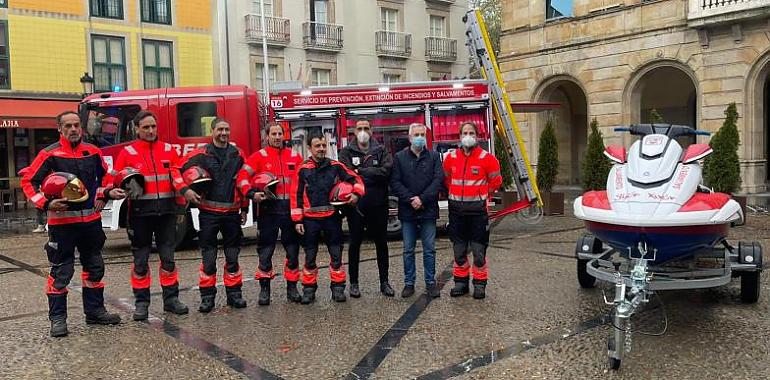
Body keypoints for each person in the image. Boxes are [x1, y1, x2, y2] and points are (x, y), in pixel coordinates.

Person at [21, 110, 126, 337]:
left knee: (95, 269)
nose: (73, 129)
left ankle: (95, 312)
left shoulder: (93, 152)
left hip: (91, 223)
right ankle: (58, 320)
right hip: (62, 227)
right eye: (67, 126)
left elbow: (107, 176)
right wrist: (46, 204)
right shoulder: (49, 154)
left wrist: (103, 194)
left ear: (82, 127)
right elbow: (29, 180)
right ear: (59, 129)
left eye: (76, 125)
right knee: (62, 272)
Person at [113, 110, 189, 321]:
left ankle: (171, 300)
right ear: (137, 129)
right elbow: (115, 179)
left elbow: (178, 180)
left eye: (153, 127)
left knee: (168, 259)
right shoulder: (127, 152)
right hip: (139, 214)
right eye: (146, 127)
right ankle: (142, 303)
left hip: (166, 213)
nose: (150, 131)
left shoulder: (169, 150)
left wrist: (181, 208)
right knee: (140, 261)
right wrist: (122, 186)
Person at [174, 118, 249, 313]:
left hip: (232, 214)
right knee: (209, 258)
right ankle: (207, 298)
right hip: (208, 214)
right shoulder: (201, 154)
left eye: (227, 129)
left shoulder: (238, 154)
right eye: (220, 129)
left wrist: (245, 208)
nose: (224, 133)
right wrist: (185, 191)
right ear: (212, 130)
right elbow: (175, 169)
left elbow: (243, 182)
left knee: (232, 257)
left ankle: (235, 295)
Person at [291, 131, 365, 304]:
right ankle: (309, 291)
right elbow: (296, 196)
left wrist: (356, 195)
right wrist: (297, 220)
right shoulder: (303, 169)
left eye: (324, 145)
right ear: (309, 148)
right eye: (317, 146)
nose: (322, 149)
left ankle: (338, 289)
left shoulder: (335, 165)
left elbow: (356, 179)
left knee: (336, 255)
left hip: (332, 218)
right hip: (310, 220)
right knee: (310, 258)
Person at [237, 122, 304, 305]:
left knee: (292, 250)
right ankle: (265, 290)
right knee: (265, 251)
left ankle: (292, 288)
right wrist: (252, 194)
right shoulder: (259, 157)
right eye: (273, 133)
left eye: (279, 133)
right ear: (267, 136)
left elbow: (303, 184)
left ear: (284, 135)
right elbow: (242, 178)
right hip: (268, 211)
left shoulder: (295, 156)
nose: (276, 137)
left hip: (289, 211)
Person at [442, 121, 502, 299]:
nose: (468, 136)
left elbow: (496, 182)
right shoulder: (450, 158)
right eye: (464, 133)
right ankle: (460, 283)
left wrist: (481, 195)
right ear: (460, 136)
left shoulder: (488, 158)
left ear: (477, 136)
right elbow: (446, 180)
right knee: (459, 251)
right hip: (456, 213)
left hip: (477, 214)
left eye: (471, 132)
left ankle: (479, 285)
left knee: (478, 252)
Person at [339, 119, 394, 298]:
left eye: (366, 128)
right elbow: (346, 174)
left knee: (381, 244)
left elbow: (386, 172)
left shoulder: (381, 150)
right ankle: (354, 283)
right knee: (354, 244)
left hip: (379, 205)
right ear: (354, 132)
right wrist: (371, 172)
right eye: (359, 128)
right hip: (356, 206)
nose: (363, 131)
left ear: (371, 131)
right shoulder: (346, 152)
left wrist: (361, 171)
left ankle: (384, 282)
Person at [390, 123, 444, 298]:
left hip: (428, 210)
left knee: (429, 249)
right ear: (410, 137)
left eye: (422, 134)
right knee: (408, 250)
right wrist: (410, 199)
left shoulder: (434, 157)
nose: (420, 137)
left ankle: (430, 283)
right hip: (408, 211)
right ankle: (409, 283)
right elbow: (395, 182)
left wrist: (422, 199)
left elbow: (438, 180)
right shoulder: (399, 157)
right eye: (417, 134)